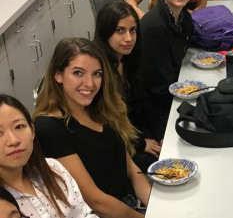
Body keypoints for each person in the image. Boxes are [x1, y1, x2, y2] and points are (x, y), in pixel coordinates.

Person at [32, 38, 149, 218]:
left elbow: (131, 169)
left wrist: (156, 205)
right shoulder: (49, 128)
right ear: (58, 75)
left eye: (97, 74)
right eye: (78, 73)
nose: (90, 83)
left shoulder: (100, 109)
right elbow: (95, 201)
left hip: (129, 207)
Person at [0, 94, 98, 218]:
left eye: (19, 126)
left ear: (32, 131)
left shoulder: (52, 167)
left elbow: (84, 215)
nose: (13, 140)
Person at [94, 1, 161, 172]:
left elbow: (143, 105)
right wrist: (141, 144)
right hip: (119, 147)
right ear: (105, 32)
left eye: (133, 30)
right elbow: (106, 126)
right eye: (120, 31)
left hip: (135, 135)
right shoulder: (97, 71)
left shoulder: (128, 60)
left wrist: (157, 135)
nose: (129, 38)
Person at [139, 0, 193, 140]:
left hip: (171, 91)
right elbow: (159, 89)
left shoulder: (183, 14)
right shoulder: (154, 27)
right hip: (156, 112)